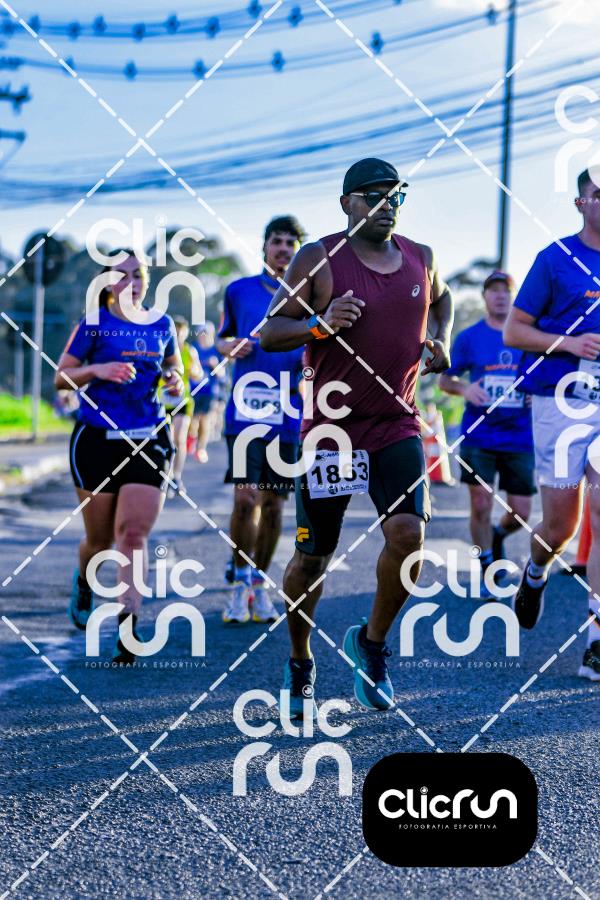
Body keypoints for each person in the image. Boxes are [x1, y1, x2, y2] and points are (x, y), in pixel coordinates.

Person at [260, 158, 453, 716]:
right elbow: (271, 331)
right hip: (331, 432)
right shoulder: (318, 258)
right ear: (347, 202)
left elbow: (441, 300)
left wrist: (439, 338)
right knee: (312, 559)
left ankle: (371, 645)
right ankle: (300, 661)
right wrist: (318, 324)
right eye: (373, 195)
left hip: (396, 423)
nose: (387, 205)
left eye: (396, 195)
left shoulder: (422, 257)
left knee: (408, 536)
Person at [55, 249, 183, 664]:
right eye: (122, 275)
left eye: (139, 274)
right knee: (100, 541)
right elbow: (61, 377)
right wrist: (97, 370)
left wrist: (175, 380)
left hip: (148, 436)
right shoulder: (93, 324)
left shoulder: (162, 324)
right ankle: (85, 580)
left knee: (132, 534)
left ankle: (128, 625)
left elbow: (176, 370)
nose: (132, 282)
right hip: (97, 438)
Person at [504, 167, 600, 681]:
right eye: (598, 194)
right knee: (561, 526)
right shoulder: (556, 259)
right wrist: (570, 344)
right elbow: (515, 331)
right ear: (581, 203)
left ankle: (596, 641)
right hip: (559, 402)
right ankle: (536, 570)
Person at [216, 215, 306, 625]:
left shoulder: (309, 297)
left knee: (272, 506)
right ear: (264, 246)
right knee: (245, 498)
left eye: (291, 243)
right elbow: (221, 339)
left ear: (299, 251)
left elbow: (317, 351)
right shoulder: (239, 291)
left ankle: (258, 582)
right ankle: (238, 582)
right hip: (244, 413)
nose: (283, 249)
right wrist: (230, 346)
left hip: (287, 416)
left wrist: (308, 373)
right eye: (277, 241)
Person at [439, 271, 535, 596]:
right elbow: (445, 380)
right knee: (480, 504)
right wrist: (465, 389)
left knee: (521, 513)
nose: (500, 296)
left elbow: (545, 374)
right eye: (493, 290)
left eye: (506, 291)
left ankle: (497, 535)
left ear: (513, 296)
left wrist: (536, 392)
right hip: (479, 435)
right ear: (485, 297)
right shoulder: (470, 337)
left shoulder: (527, 334)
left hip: (520, 436)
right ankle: (486, 570)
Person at [160, 315, 202, 495]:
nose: (178, 335)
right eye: (175, 331)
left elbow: (198, 375)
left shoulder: (189, 351)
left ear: (186, 332)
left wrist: (194, 371)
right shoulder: (162, 349)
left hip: (182, 400)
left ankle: (176, 477)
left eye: (181, 332)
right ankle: (166, 475)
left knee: (179, 437)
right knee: (166, 440)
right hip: (162, 400)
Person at [189, 321, 220, 464]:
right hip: (193, 391)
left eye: (205, 333)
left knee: (205, 420)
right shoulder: (193, 348)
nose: (203, 336)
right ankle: (191, 439)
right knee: (192, 420)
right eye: (201, 333)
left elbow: (222, 373)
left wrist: (215, 365)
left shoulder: (215, 350)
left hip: (209, 391)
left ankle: (201, 449)